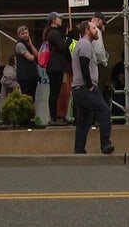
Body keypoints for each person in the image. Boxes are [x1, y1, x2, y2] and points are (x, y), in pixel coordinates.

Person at [70, 21, 114, 154]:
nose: (97, 31)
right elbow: (84, 65)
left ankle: (79, 149)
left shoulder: (83, 44)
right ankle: (105, 144)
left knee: (84, 121)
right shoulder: (85, 44)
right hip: (85, 88)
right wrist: (90, 85)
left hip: (78, 88)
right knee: (104, 111)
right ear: (86, 31)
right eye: (94, 28)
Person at [44, 12, 72, 125]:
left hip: (55, 66)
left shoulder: (51, 33)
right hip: (56, 66)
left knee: (55, 92)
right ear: (54, 20)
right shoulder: (55, 33)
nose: (61, 20)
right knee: (55, 92)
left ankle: (55, 117)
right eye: (59, 18)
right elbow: (62, 47)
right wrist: (69, 39)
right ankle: (54, 118)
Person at [14, 25, 39, 101]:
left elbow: (37, 54)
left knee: (32, 98)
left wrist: (31, 45)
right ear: (19, 35)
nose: (25, 35)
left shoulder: (29, 44)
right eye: (23, 33)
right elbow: (30, 58)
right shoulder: (20, 45)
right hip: (25, 76)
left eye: (26, 33)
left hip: (32, 76)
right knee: (26, 98)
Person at [90, 11, 110, 103]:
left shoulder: (86, 30)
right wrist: (104, 61)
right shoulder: (96, 31)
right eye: (102, 23)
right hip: (98, 65)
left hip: (90, 64)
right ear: (98, 20)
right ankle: (97, 116)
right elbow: (98, 50)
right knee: (98, 91)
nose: (103, 26)